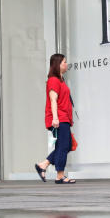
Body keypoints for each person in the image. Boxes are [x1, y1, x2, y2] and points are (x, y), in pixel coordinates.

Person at [35, 54, 76, 184]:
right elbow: (53, 100)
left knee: (67, 145)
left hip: (64, 117)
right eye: (64, 62)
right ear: (57, 64)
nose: (66, 64)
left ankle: (43, 164)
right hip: (59, 118)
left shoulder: (61, 80)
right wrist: (56, 118)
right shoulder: (53, 80)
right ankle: (60, 175)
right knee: (64, 146)